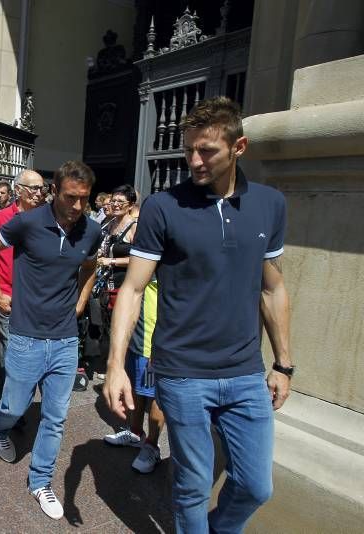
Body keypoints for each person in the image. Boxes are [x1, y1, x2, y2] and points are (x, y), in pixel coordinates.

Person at [104, 97, 292, 533]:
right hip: (182, 373)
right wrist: (116, 366)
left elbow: (273, 287)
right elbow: (132, 289)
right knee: (192, 485)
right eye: (189, 149)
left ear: (239, 146)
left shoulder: (270, 204)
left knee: (255, 486)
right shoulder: (163, 207)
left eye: (206, 150)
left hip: (246, 371)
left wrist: (284, 363)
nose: (194, 160)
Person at [0, 161, 101, 520]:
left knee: (55, 417)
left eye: (84, 199)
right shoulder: (27, 223)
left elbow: (91, 265)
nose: (78, 206)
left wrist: (81, 300)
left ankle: (40, 481)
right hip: (25, 336)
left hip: (65, 339)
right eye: (70, 197)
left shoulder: (91, 230)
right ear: (54, 192)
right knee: (14, 408)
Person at [0, 170, 47, 398]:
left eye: (41, 188)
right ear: (18, 190)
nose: (38, 193)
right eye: (33, 188)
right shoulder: (1, 217)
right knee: (11, 343)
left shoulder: (49, 217)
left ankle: (20, 388)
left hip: (37, 298)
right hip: (6, 294)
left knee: (33, 346)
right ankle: (9, 393)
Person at [102, 278, 166, 474]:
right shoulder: (143, 250)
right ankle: (136, 433)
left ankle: (151, 446)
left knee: (155, 394)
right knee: (136, 389)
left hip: (153, 341)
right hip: (136, 337)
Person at [96, 185, 138, 316]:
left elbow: (140, 259)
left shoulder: (134, 227)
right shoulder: (109, 224)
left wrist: (111, 261)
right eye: (113, 201)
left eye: (120, 202)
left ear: (130, 205)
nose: (115, 204)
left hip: (123, 288)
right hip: (104, 286)